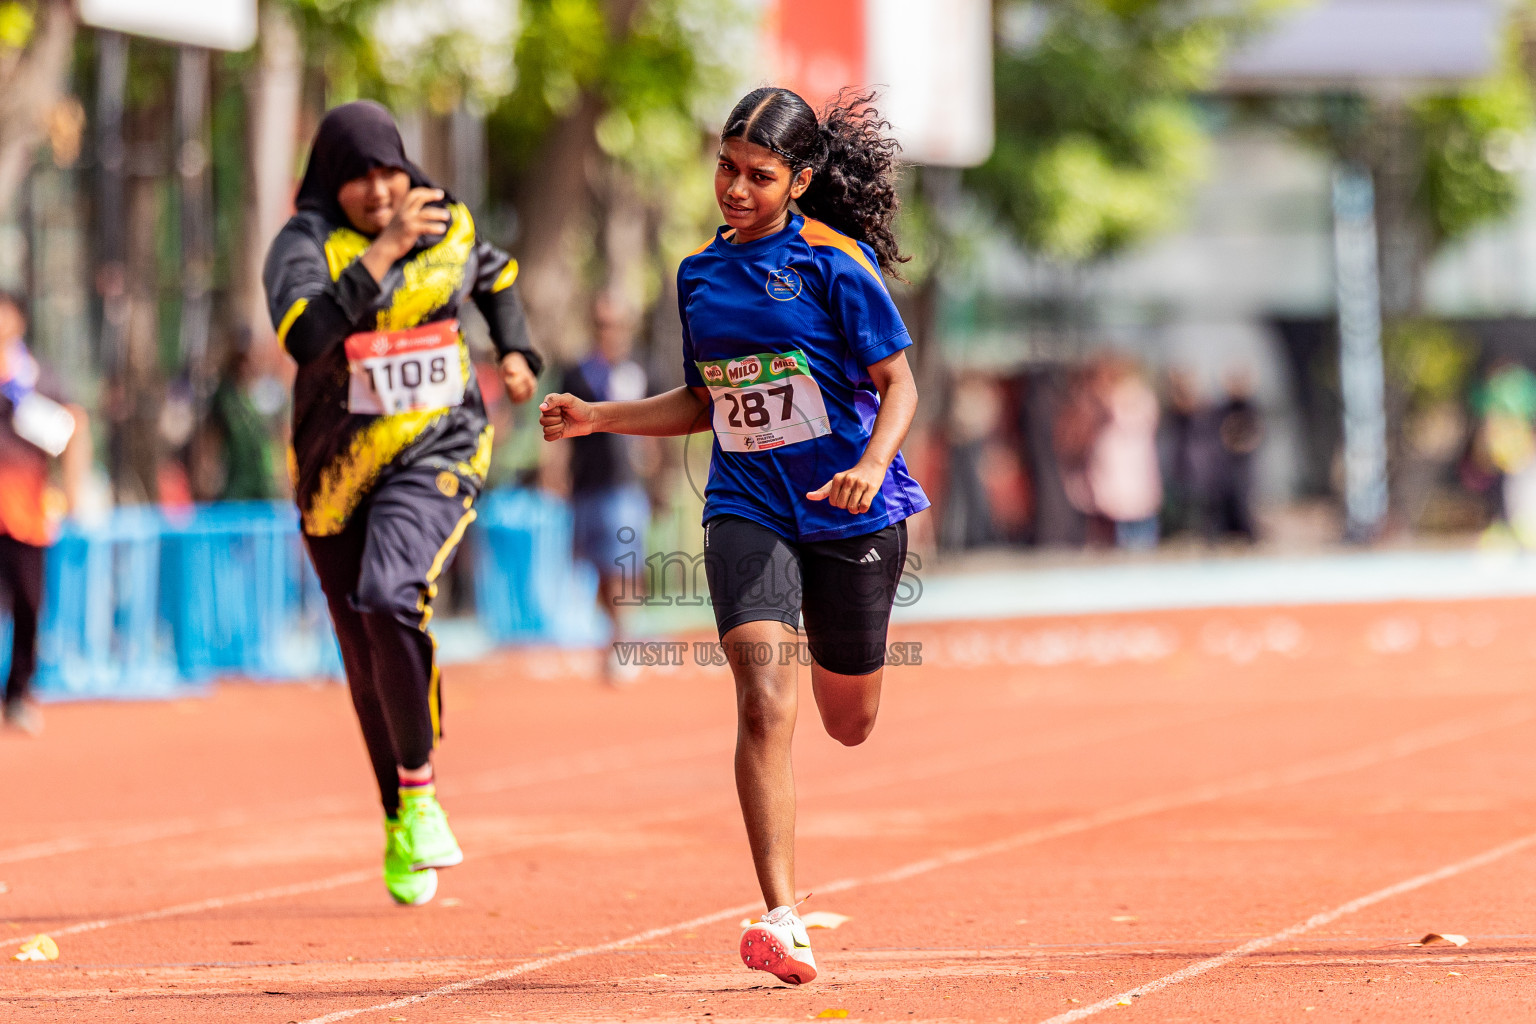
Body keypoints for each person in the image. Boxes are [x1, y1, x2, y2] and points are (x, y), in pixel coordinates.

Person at [540, 87, 929, 985]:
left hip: (850, 511)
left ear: (798, 180)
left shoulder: (837, 263)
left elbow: (898, 384)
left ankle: (790, 895)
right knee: (763, 698)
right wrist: (598, 418)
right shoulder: (697, 275)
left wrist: (871, 464)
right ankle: (781, 917)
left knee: (849, 722)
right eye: (727, 167)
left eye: (759, 176)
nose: (736, 189)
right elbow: (704, 400)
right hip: (745, 504)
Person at [263, 101, 541, 906]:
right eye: (358, 179)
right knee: (364, 653)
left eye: (389, 171)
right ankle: (400, 816)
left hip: (438, 447)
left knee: (390, 595)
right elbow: (307, 336)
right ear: (330, 182)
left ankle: (421, 795)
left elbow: (495, 274)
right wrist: (383, 251)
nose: (379, 191)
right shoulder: (303, 245)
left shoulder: (445, 221)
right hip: (334, 469)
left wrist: (516, 348)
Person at [0, 291, 91, 736]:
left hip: (26, 514)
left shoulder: (37, 377)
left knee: (28, 607)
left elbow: (75, 426)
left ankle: (16, 695)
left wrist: (73, 490)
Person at [556, 297, 651, 683]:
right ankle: (614, 637)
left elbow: (657, 423)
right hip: (586, 484)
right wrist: (556, 472)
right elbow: (558, 429)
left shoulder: (640, 368)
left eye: (614, 324)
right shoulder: (576, 371)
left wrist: (654, 470)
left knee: (621, 568)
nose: (607, 331)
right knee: (597, 571)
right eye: (601, 323)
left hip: (625, 486)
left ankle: (621, 642)